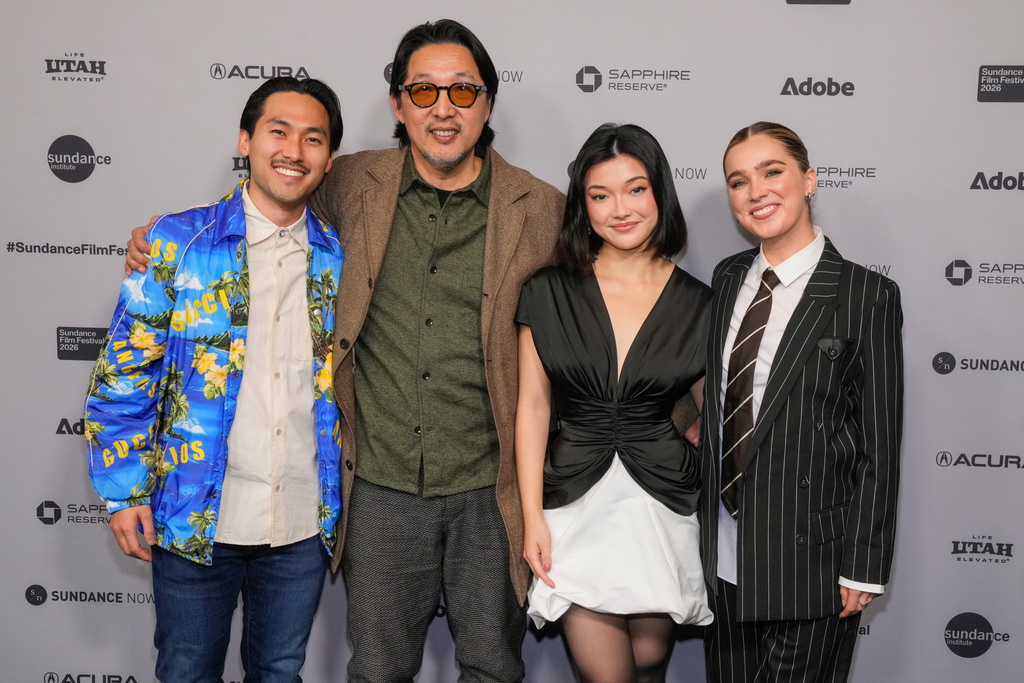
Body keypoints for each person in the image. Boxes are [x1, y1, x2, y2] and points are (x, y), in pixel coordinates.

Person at [125, 19, 591, 683]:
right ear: (399, 104)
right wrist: (158, 241)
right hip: (379, 485)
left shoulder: (543, 209)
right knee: (376, 668)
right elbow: (264, 200)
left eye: (463, 91)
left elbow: (606, 305)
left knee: (493, 664)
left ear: (488, 103)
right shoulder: (348, 184)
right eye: (424, 91)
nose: (444, 109)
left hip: (493, 488)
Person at [85, 76, 345, 682]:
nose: (294, 151)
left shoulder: (341, 255)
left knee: (279, 670)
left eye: (313, 139)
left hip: (302, 518)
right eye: (278, 132)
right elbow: (124, 373)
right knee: (186, 670)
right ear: (245, 140)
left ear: (329, 159)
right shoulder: (178, 242)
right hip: (195, 510)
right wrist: (124, 491)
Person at [698, 121, 903, 683]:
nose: (756, 190)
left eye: (772, 172)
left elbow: (878, 443)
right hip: (725, 558)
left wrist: (864, 566)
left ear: (809, 179)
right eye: (738, 181)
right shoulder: (726, 277)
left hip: (813, 563)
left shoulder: (866, 294)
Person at [515, 123, 714, 683]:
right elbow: (532, 407)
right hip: (573, 503)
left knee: (648, 665)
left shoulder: (701, 303)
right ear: (583, 205)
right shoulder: (547, 291)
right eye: (599, 195)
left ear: (660, 194)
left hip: (663, 501)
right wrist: (533, 516)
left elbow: (721, 410)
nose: (619, 209)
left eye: (636, 189)